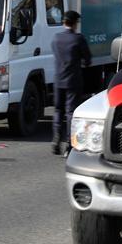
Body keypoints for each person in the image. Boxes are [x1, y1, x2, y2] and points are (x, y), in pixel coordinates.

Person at [51, 10, 91, 156]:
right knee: (70, 113)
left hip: (58, 80)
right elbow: (87, 59)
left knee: (58, 110)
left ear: (64, 22)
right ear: (74, 23)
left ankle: (56, 140)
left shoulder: (56, 38)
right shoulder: (78, 39)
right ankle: (69, 145)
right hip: (73, 81)